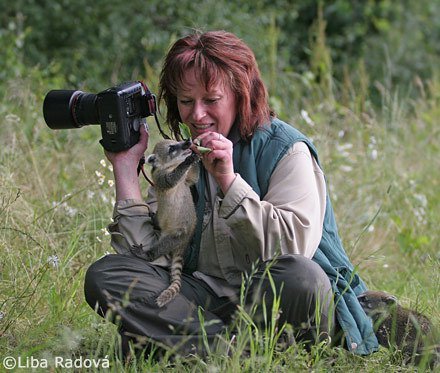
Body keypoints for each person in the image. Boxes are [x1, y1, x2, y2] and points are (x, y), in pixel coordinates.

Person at [84, 30, 379, 357]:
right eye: (186, 101)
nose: (197, 115)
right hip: (206, 301)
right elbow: (148, 255)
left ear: (241, 95)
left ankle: (182, 347)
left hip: (277, 300)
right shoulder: (181, 155)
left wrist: (228, 180)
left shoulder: (286, 150)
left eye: (211, 100)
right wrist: (125, 170)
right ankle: (235, 353)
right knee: (107, 275)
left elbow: (293, 248)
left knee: (302, 277)